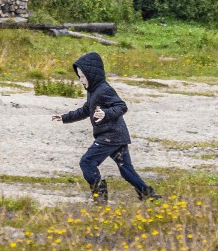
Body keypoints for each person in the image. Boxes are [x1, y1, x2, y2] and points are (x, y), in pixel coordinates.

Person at [52, 52, 159, 204]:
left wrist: (106, 113)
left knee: (87, 162)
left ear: (92, 75)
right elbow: (85, 110)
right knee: (125, 169)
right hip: (117, 136)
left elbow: (121, 106)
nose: (81, 80)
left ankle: (100, 196)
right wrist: (64, 118)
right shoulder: (93, 91)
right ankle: (148, 194)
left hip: (110, 136)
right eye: (79, 77)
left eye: (83, 76)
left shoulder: (103, 90)